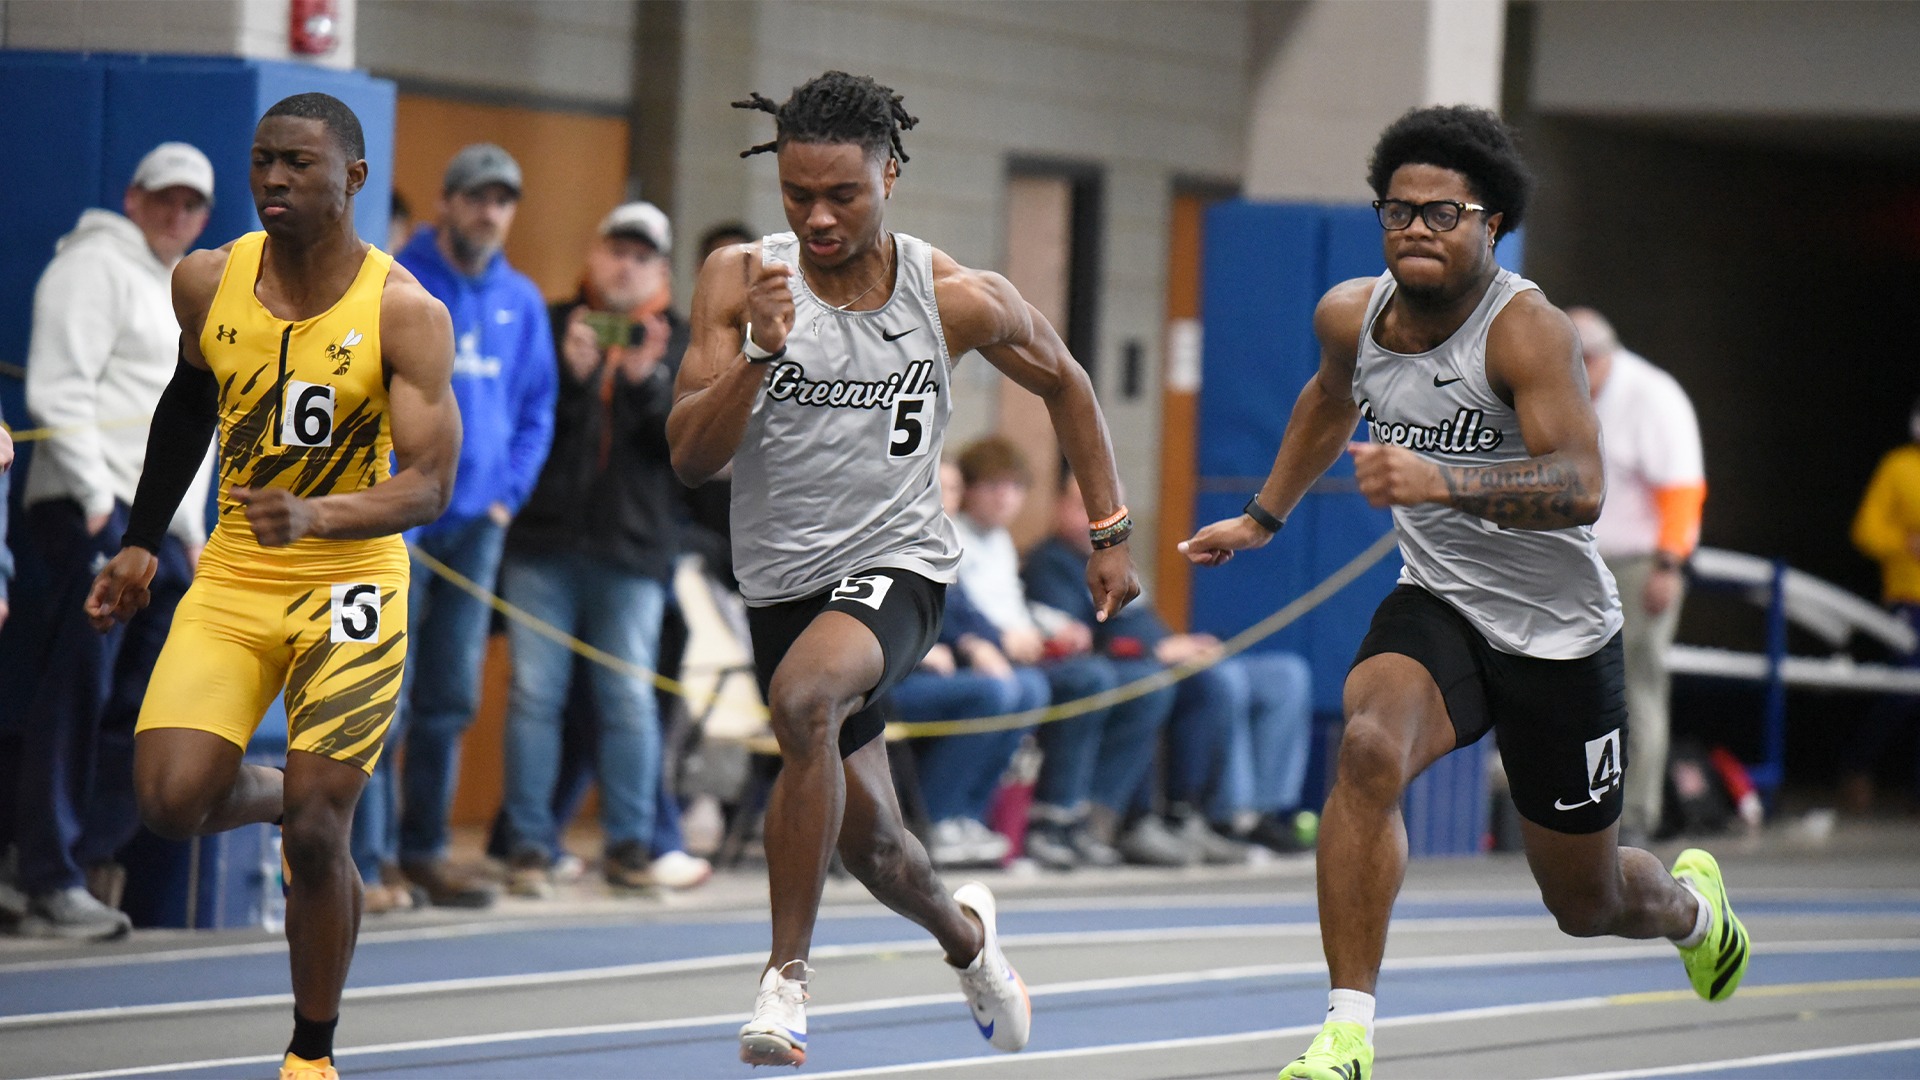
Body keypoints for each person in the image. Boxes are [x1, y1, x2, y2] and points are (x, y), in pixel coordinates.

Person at [1180, 105, 1749, 1080]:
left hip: (1560, 637)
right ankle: (1348, 1032)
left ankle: (1693, 912)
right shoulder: (1349, 315)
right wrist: (1264, 517)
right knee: (1366, 750)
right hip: (1439, 602)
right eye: (1399, 211)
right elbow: (1328, 397)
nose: (1416, 230)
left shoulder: (1528, 334)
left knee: (1589, 901)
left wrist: (1445, 481)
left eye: (1443, 214)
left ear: (1491, 224)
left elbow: (1582, 488)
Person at [668, 70, 1140, 1067]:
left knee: (802, 701)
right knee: (877, 847)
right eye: (799, 196)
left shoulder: (955, 296)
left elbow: (1068, 382)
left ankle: (784, 982)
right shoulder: (737, 279)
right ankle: (971, 945)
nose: (819, 216)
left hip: (902, 568)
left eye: (843, 194)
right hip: (780, 586)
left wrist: (1109, 533)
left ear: (892, 173)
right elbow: (691, 458)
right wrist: (757, 353)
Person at [85, 93, 459, 1080]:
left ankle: (311, 1053)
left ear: (355, 178)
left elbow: (429, 485)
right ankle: (286, 800)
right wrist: (135, 541)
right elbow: (187, 402)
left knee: (323, 822)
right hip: (239, 574)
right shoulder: (208, 280)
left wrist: (323, 515)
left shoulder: (406, 312)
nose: (275, 181)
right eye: (262, 163)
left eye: (299, 163)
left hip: (350, 584)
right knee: (167, 799)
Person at [8, 142, 216, 940]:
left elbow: (189, 427)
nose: (176, 214)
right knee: (76, 696)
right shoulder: (91, 266)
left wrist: (187, 535)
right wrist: (100, 507)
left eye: (191, 205)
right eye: (163, 199)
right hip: (96, 517)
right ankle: (48, 875)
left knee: (141, 706)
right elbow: (59, 384)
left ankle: (78, 862)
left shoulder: (189, 288)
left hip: (159, 531)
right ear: (133, 198)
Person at [351, 143, 556, 909]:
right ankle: (366, 864)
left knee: (448, 699)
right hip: (403, 517)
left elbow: (537, 409)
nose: (490, 212)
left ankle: (425, 851)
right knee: (382, 690)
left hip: (477, 524)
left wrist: (507, 494)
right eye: (477, 197)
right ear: (447, 201)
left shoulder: (524, 302)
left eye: (503, 200)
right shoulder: (396, 282)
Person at [497, 201, 688, 897]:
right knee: (534, 695)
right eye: (617, 250)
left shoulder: (682, 340)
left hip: (632, 552)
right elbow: (521, 428)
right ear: (595, 252)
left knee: (627, 697)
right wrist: (572, 381)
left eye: (642, 256)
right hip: (542, 542)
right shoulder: (549, 325)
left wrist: (644, 385)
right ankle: (526, 844)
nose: (626, 266)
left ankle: (630, 845)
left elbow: (686, 455)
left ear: (661, 270)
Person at [1027, 471, 1316, 864]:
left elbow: (1144, 624)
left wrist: (1184, 646)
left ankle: (1257, 814)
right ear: (1059, 507)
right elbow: (1079, 639)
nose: (1099, 520)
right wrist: (1158, 650)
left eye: (1112, 513)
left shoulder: (1116, 558)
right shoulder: (1051, 563)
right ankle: (1206, 816)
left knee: (1286, 675)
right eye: (1085, 508)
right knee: (1212, 683)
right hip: (1136, 665)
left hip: (1165, 654)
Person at [953, 436, 1176, 869]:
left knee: (1145, 684)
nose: (1005, 497)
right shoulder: (1016, 552)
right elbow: (961, 613)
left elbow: (1020, 612)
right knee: (1088, 679)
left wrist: (1042, 634)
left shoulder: (998, 543)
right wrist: (1006, 640)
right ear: (969, 491)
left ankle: (1095, 816)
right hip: (986, 660)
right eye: (993, 486)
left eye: (1014, 487)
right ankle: (1051, 815)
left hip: (1024, 655)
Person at [1569, 307, 1706, 843]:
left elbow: (1683, 489)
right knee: (1576, 687)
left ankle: (1638, 815)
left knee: (1634, 684)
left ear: (1597, 359)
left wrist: (1669, 564)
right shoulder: (1574, 394)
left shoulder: (1651, 394)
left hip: (1639, 562)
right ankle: (1580, 812)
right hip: (1579, 558)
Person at [895, 459, 1044, 868]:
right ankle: (937, 817)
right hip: (891, 677)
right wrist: (918, 648)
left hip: (935, 671)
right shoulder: (885, 544)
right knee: (994, 692)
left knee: (1029, 687)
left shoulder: (940, 545)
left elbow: (964, 613)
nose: (946, 498)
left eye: (955, 489)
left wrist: (984, 642)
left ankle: (969, 816)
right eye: (935, 487)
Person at [1845, 396, 1920, 813]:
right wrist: (1906, 543)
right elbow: (1867, 529)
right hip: (1910, 599)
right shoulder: (1898, 466)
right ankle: (1858, 768)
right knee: (1902, 692)